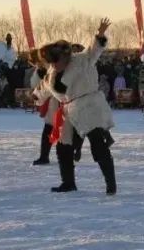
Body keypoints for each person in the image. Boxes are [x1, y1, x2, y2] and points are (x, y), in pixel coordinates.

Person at [40, 18, 116, 195]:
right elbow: (44, 87)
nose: (53, 65)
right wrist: (36, 96)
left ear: (65, 57)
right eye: (51, 62)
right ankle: (68, 182)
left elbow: (95, 49)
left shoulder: (82, 60)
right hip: (68, 110)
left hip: (89, 106)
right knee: (62, 145)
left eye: (55, 61)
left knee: (98, 145)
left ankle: (111, 184)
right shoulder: (52, 72)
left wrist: (100, 34)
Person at [29, 61, 57, 165]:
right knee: (50, 130)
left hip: (60, 102)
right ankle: (44, 156)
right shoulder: (50, 68)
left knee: (55, 130)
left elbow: (47, 85)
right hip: (55, 103)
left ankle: (45, 156)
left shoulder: (54, 68)